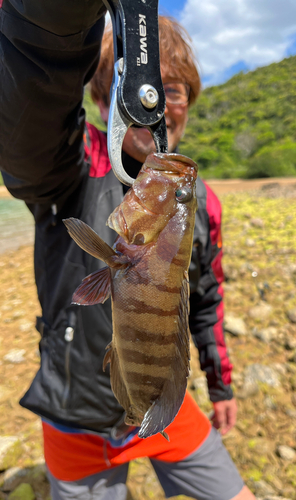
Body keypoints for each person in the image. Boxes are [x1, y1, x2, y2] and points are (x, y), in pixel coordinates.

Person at [0, 3, 255, 500]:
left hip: (166, 405)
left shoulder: (204, 205)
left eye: (172, 91)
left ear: (186, 104)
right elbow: (34, 122)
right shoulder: (69, 168)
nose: (156, 103)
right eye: (132, 90)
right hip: (76, 418)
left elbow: (205, 298)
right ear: (102, 102)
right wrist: (46, 21)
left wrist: (220, 387)